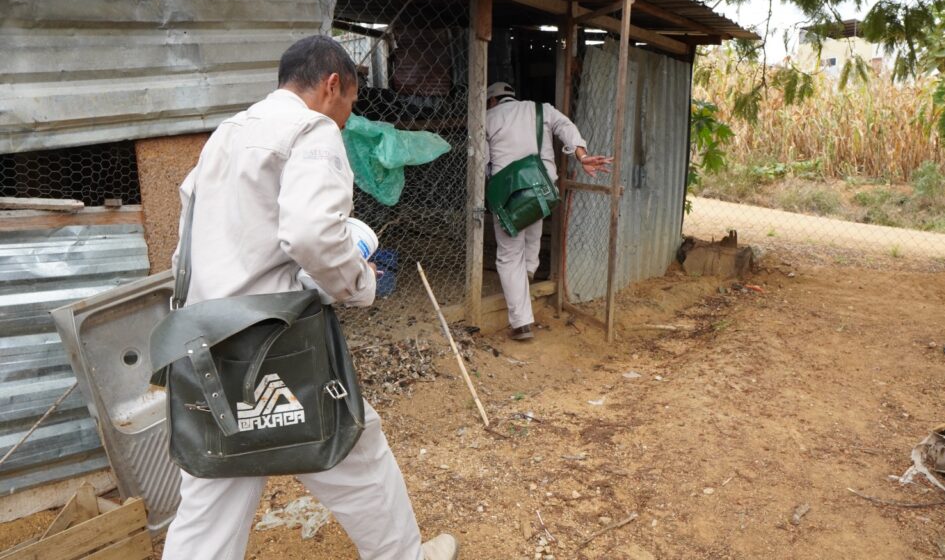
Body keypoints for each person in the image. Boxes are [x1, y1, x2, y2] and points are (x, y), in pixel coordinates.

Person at [161, 36, 458, 560]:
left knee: (214, 489)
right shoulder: (311, 129)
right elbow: (311, 233)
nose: (347, 118)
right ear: (332, 85)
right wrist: (358, 282)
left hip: (208, 342)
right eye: (351, 103)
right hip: (278, 342)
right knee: (354, 447)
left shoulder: (226, 134)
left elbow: (188, 244)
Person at [484, 82, 612, 340]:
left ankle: (521, 324)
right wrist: (582, 156)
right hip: (540, 192)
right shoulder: (541, 110)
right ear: (512, 97)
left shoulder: (487, 118)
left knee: (509, 256)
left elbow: (483, 161)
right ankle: (528, 272)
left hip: (510, 198)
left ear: (492, 101)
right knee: (532, 231)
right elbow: (566, 126)